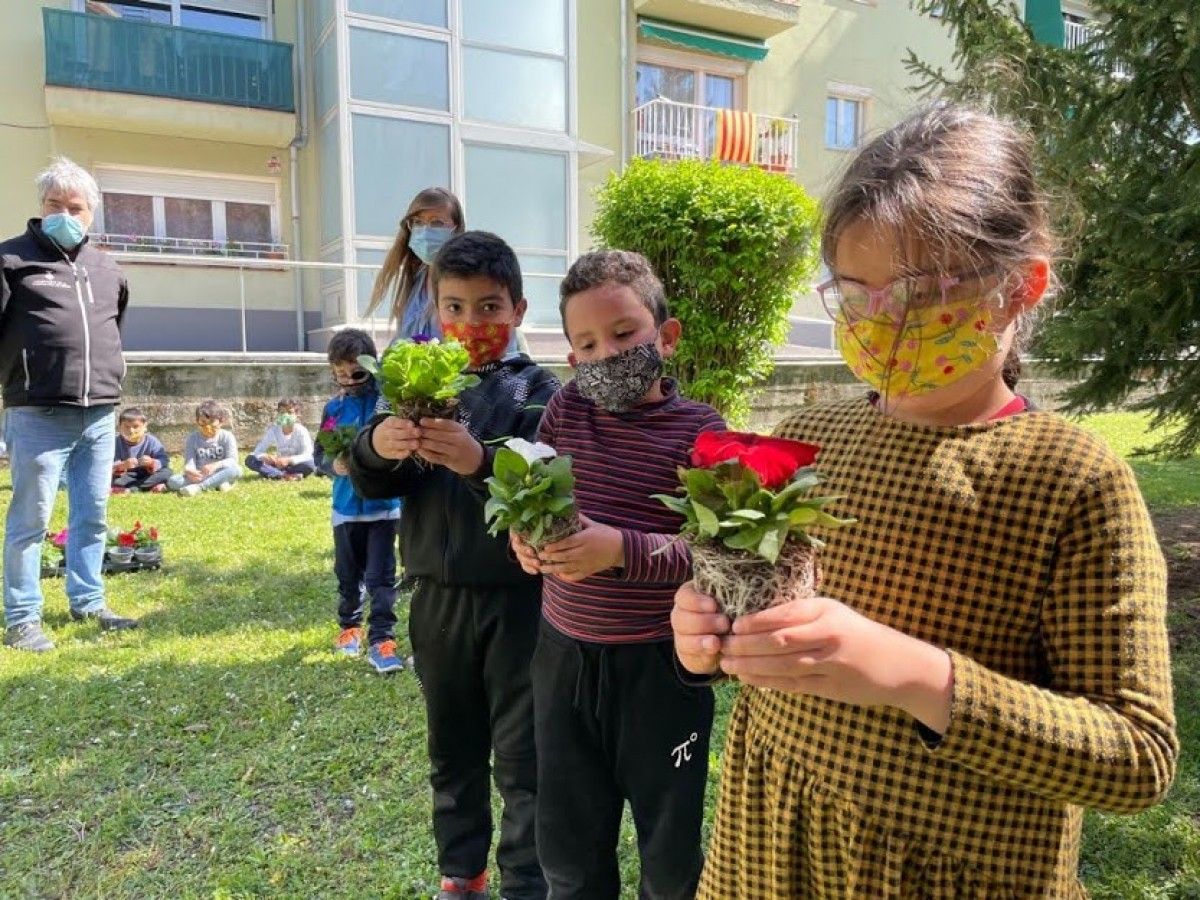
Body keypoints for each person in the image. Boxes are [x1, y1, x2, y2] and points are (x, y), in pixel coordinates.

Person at [671, 105, 1179, 898]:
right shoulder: (805, 440)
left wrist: (911, 675)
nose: (882, 325)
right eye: (854, 293)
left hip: (951, 875)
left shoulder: (1073, 479)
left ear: (1022, 287)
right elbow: (759, 625)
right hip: (765, 853)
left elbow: (1137, 756)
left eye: (919, 294)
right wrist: (705, 638)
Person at [509, 250, 725, 900]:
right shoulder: (564, 414)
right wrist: (526, 539)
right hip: (563, 662)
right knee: (569, 850)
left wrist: (620, 550)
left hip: (662, 670)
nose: (607, 353)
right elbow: (535, 504)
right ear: (571, 356)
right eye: (587, 343)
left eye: (625, 334)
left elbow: (717, 555)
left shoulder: (702, 431)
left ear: (667, 335)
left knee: (669, 853)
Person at [349, 232, 559, 900]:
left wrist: (478, 460)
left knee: (524, 758)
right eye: (456, 307)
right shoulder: (415, 381)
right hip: (435, 598)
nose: (472, 325)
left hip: (520, 600)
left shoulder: (539, 389)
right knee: (452, 749)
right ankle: (461, 874)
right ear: (434, 310)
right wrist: (380, 445)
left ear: (519, 310)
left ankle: (524, 883)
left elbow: (546, 484)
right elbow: (374, 479)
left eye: (490, 308)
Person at [1, 157, 139, 652]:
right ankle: (22, 617)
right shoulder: (11, 260)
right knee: (30, 520)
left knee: (93, 513)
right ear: (41, 207)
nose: (65, 213)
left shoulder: (107, 267)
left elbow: (113, 331)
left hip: (100, 412)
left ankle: (89, 599)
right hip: (37, 412)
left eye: (75, 207)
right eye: (54, 204)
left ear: (92, 213)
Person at [314, 329, 404, 674]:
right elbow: (319, 452)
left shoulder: (387, 402)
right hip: (346, 509)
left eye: (356, 373)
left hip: (384, 507)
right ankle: (348, 627)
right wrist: (332, 465)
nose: (348, 381)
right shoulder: (333, 408)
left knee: (382, 577)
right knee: (348, 576)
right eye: (339, 374)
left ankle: (382, 637)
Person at [365, 186, 465, 338]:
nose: (425, 231)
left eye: (436, 223)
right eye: (418, 222)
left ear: (456, 229)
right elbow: (403, 342)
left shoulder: (467, 282)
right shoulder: (415, 279)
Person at [168, 400, 242, 496]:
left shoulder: (227, 436)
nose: (207, 427)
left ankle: (199, 488)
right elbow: (189, 463)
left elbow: (232, 460)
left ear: (221, 421)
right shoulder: (192, 438)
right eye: (203, 423)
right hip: (200, 475)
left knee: (237, 470)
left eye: (211, 423)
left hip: (220, 472)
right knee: (173, 481)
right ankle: (218, 483)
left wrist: (215, 465)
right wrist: (190, 471)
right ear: (197, 421)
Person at [245, 398, 315, 481]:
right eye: (282, 412)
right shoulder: (274, 430)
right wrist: (265, 456)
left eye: (289, 412)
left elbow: (308, 454)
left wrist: (289, 460)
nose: (285, 415)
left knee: (311, 464)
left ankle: (273, 473)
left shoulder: (301, 431)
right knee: (250, 459)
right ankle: (284, 476)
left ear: (297, 414)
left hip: (294, 464)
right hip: (277, 463)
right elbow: (258, 451)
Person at [111, 407, 172, 494]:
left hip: (147, 474)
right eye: (126, 427)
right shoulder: (116, 442)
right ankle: (146, 487)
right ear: (119, 427)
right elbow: (110, 466)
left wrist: (151, 462)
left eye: (135, 427)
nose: (131, 431)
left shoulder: (151, 441)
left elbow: (164, 460)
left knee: (167, 473)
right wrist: (123, 465)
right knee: (112, 480)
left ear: (145, 427)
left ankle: (132, 488)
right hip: (126, 476)